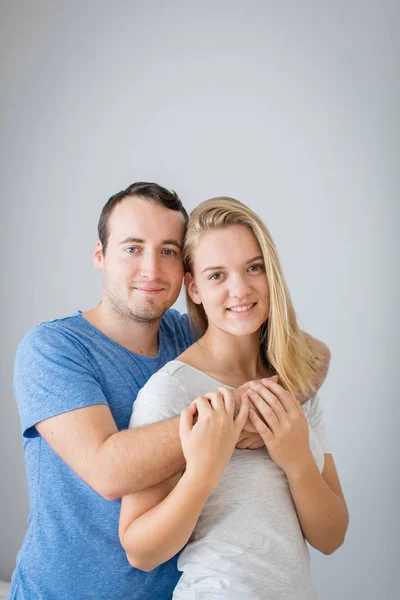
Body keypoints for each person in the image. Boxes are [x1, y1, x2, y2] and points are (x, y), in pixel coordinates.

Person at [9, 183, 330, 600]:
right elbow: (108, 472)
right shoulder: (54, 348)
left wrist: (272, 421)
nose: (152, 270)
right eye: (132, 248)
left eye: (168, 251)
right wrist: (232, 422)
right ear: (100, 255)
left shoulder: (188, 335)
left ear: (187, 270)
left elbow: (313, 355)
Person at [119, 197, 349, 600]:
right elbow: (140, 551)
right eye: (216, 275)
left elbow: (331, 536)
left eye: (253, 268)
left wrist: (296, 460)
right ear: (193, 287)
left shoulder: (294, 381)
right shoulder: (172, 390)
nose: (239, 288)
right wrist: (203, 472)